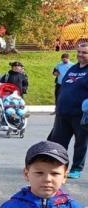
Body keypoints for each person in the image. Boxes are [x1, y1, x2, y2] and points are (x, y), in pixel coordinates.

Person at [48, 43, 88, 180]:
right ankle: (58, 166)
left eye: (84, 52)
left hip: (81, 115)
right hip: (63, 113)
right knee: (57, 142)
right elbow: (63, 87)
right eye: (79, 52)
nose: (80, 54)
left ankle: (76, 168)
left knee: (80, 143)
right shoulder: (73, 69)